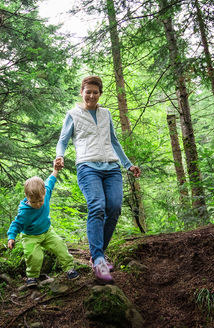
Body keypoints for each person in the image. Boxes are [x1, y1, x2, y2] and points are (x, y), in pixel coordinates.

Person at [55, 75, 141, 283]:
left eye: (95, 92)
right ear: (82, 92)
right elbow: (63, 140)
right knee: (97, 206)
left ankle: (98, 253)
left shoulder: (106, 114)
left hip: (111, 167)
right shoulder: (73, 114)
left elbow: (114, 141)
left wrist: (128, 164)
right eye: (88, 92)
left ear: (100, 94)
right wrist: (60, 155)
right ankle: (99, 259)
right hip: (87, 166)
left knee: (114, 207)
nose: (91, 95)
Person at [6, 164, 80, 287]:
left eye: (40, 200)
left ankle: (69, 269)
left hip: (47, 232)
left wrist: (55, 170)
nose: (38, 204)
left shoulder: (46, 192)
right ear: (27, 197)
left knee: (60, 245)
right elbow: (16, 224)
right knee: (34, 256)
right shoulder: (25, 211)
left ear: (44, 193)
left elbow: (50, 180)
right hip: (30, 236)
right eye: (33, 202)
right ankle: (32, 277)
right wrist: (11, 237)